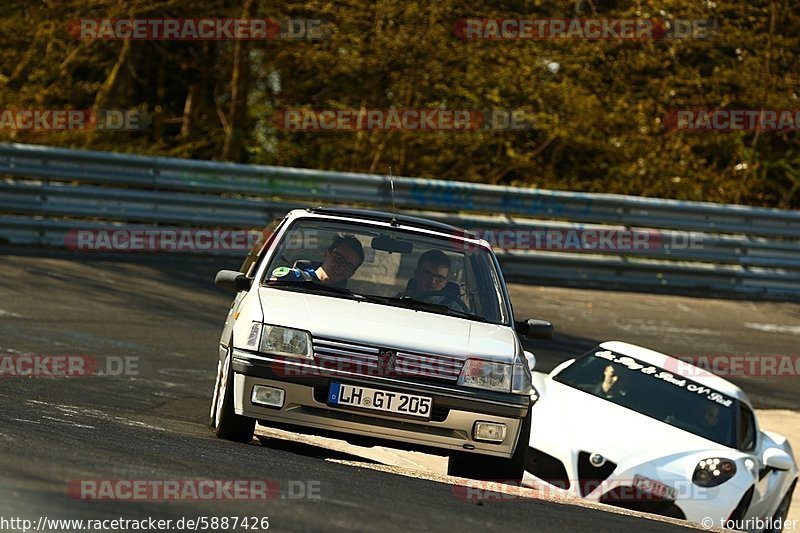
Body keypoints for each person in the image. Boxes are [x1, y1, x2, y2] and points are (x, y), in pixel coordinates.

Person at [270, 234, 364, 286]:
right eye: (338, 259)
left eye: (348, 266)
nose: (341, 267)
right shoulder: (292, 279)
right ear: (326, 254)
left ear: (352, 274)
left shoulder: (351, 301)